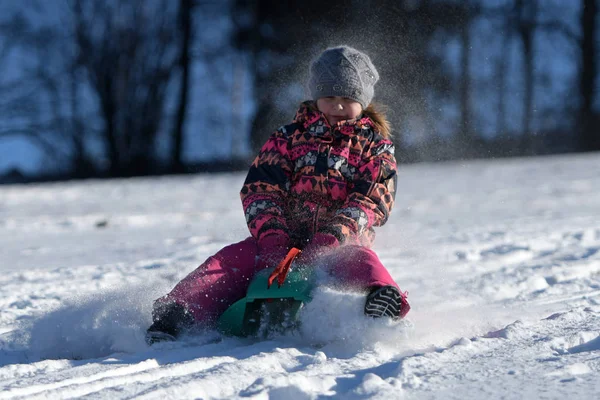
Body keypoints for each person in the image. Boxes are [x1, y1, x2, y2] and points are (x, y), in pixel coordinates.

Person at [146, 46, 410, 343]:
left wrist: (333, 236)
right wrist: (273, 235)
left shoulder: (375, 147)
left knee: (361, 261)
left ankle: (382, 299)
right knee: (230, 261)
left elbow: (372, 198)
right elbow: (261, 189)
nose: (337, 107)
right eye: (330, 98)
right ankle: (179, 311)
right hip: (281, 241)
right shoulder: (288, 138)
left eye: (347, 99)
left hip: (340, 243)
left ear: (363, 101)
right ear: (315, 97)